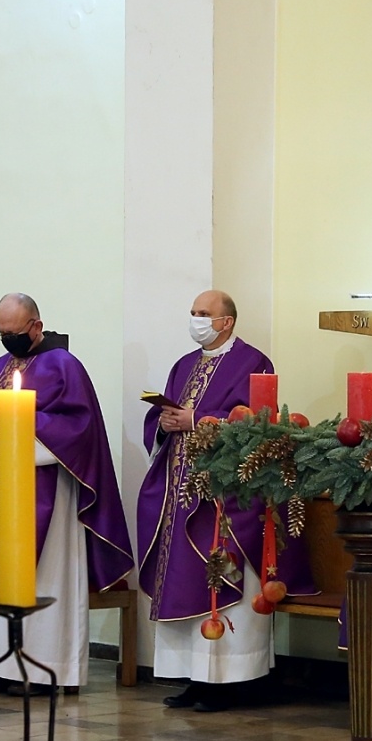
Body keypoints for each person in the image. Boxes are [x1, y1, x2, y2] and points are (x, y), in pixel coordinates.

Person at [0, 293, 133, 693]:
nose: (7, 338)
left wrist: (21, 419)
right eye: (1, 332)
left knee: (43, 578)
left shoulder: (64, 366)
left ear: (36, 326)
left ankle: (44, 668)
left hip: (43, 488)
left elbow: (79, 428)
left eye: (13, 331)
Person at [138, 290, 314, 712]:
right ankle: (196, 679)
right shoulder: (184, 364)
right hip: (182, 493)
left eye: (205, 314)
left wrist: (196, 420)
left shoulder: (254, 363)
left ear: (226, 322)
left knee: (223, 580)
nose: (196, 320)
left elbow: (260, 424)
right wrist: (163, 422)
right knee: (185, 582)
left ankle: (235, 682)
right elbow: (168, 417)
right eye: (193, 312)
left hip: (227, 497)